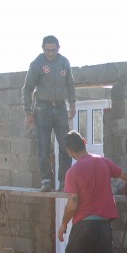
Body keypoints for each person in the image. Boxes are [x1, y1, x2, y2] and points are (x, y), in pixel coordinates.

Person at [22, 35, 76, 192]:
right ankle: (46, 180)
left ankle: (64, 181)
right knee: (44, 147)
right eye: (47, 50)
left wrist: (72, 104)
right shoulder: (37, 63)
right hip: (42, 108)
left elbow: (70, 85)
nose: (50, 53)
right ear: (42, 48)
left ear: (59, 48)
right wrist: (28, 112)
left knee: (66, 145)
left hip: (60, 108)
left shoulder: (64, 62)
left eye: (53, 50)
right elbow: (27, 88)